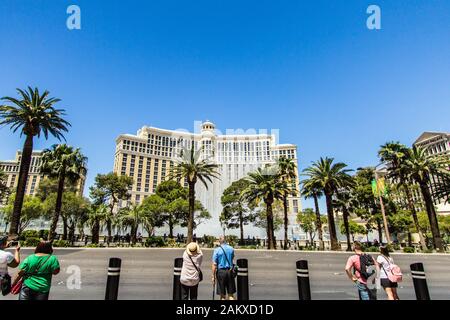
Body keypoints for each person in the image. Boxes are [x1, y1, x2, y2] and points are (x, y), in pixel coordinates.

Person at [212, 236, 236, 300]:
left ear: (219, 242)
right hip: (230, 271)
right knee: (231, 295)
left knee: (222, 295)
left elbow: (214, 264)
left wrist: (213, 276)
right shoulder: (231, 248)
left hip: (221, 272)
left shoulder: (217, 250)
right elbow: (232, 258)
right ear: (225, 241)